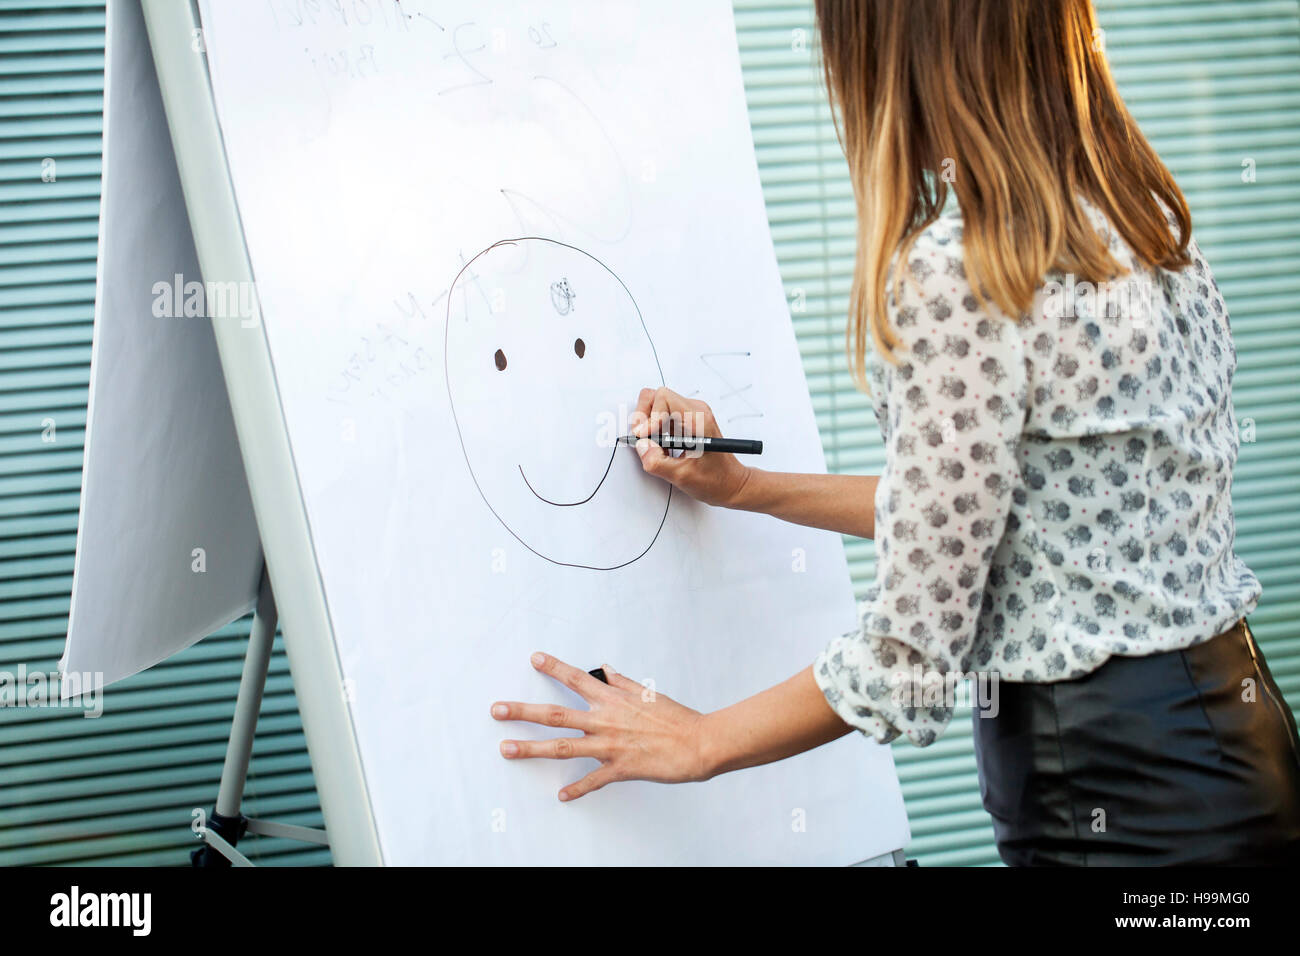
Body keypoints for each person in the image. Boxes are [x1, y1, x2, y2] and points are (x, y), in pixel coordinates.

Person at [490, 0, 1300, 865]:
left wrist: (701, 741)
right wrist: (748, 490)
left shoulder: (965, 271)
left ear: (890, 55)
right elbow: (1026, 519)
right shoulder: (1142, 226)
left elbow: (910, 660)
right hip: (1238, 759)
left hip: (1118, 803)